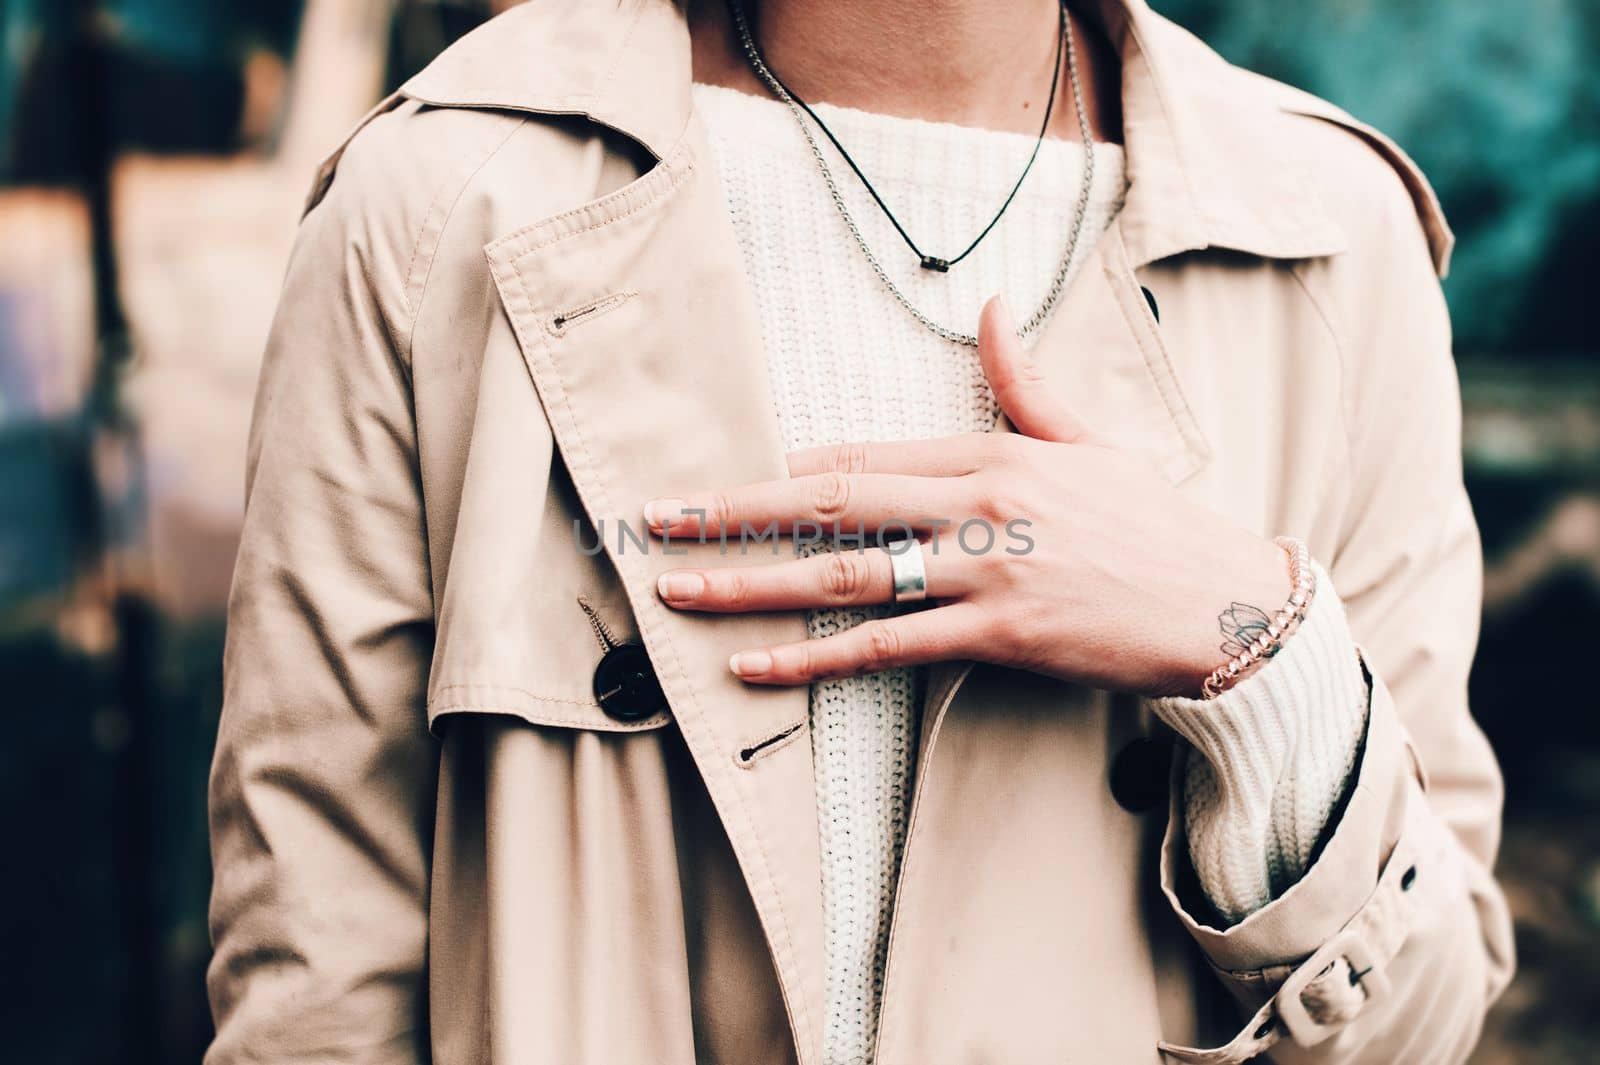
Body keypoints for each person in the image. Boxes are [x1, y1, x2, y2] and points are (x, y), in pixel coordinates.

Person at [204, 1, 1515, 1062]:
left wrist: (1251, 648)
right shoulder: (441, 203)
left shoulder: (1331, 244)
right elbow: (315, 1005)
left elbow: (1421, 1021)